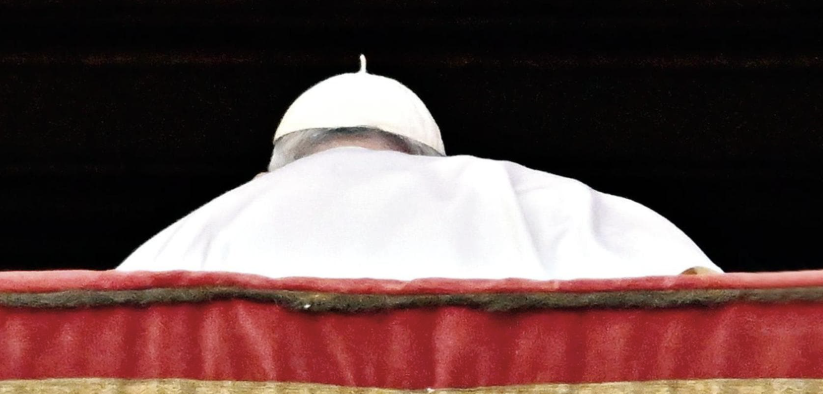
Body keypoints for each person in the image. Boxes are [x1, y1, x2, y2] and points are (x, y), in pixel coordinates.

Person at [118, 56, 720, 280]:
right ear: (428, 158)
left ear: (274, 170)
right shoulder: (515, 196)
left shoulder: (209, 225)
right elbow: (693, 285)